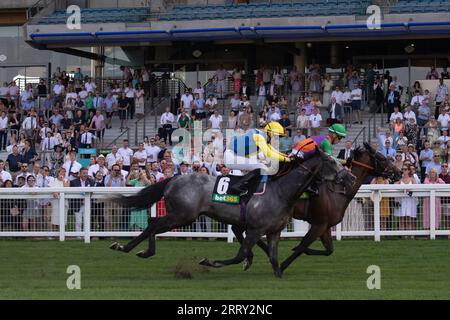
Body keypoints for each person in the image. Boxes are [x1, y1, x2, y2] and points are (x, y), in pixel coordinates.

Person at [226, 122, 291, 194]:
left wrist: (286, 156)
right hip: (231, 156)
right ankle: (238, 186)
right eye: (276, 136)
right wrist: (286, 159)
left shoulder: (263, 136)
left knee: (261, 164)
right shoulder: (259, 137)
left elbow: (273, 151)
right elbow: (269, 153)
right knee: (262, 166)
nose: (277, 138)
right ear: (270, 133)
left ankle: (246, 186)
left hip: (235, 156)